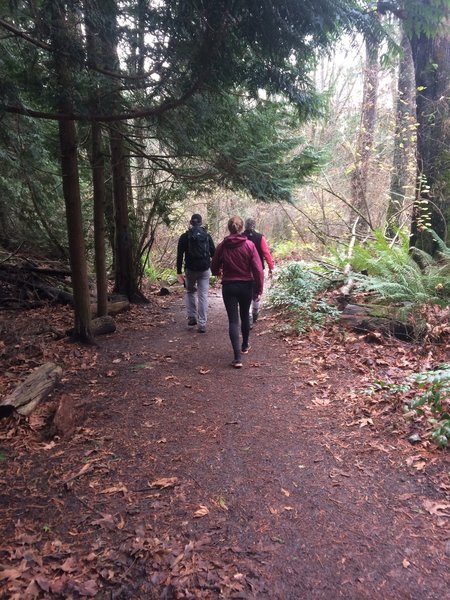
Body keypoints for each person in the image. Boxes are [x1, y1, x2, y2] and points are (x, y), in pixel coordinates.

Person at [211, 216, 264, 368]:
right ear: (241, 228)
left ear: (229, 228)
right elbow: (258, 269)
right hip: (246, 285)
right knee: (244, 316)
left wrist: (218, 271)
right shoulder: (249, 245)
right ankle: (245, 345)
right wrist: (259, 288)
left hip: (229, 286)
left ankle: (237, 358)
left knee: (233, 320)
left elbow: (213, 265)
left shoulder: (223, 245)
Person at [176, 213, 215, 333]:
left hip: (190, 270)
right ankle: (202, 324)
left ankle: (192, 316)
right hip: (204, 269)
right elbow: (214, 253)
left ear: (191, 223)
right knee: (203, 295)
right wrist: (216, 268)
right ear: (201, 222)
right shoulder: (207, 236)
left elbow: (179, 256)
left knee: (190, 291)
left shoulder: (184, 237)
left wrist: (179, 272)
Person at [243, 217, 274, 324]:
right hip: (258, 269)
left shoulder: (241, 237)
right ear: (254, 226)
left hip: (244, 269)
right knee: (257, 291)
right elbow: (266, 253)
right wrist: (271, 267)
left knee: (246, 293)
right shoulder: (260, 237)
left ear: (245, 226)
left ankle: (249, 317)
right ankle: (255, 312)